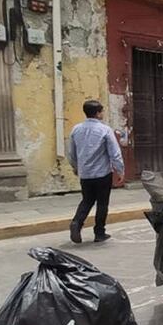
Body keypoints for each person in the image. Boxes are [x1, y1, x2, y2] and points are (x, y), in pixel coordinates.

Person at [68, 99, 125, 243]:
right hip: (102, 174)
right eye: (102, 111)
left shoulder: (76, 129)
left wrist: (76, 167)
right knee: (102, 203)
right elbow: (114, 153)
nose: (103, 114)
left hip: (85, 174)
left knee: (87, 200)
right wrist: (120, 170)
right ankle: (99, 232)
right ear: (98, 113)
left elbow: (71, 153)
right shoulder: (105, 130)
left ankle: (77, 222)